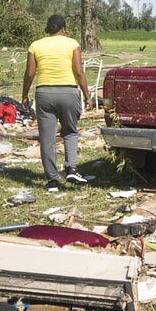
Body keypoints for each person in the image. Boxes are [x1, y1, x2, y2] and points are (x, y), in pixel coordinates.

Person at [21, 14, 93, 191]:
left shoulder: (35, 45)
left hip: (44, 93)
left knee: (47, 138)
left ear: (48, 29)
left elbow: (29, 74)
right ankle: (71, 168)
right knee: (69, 131)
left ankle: (52, 180)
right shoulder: (72, 43)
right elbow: (79, 72)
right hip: (68, 91)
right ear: (63, 29)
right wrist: (87, 95)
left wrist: (24, 95)